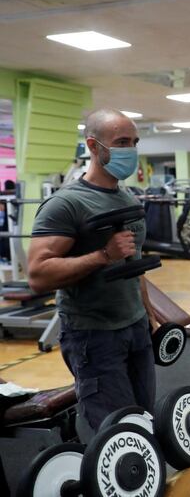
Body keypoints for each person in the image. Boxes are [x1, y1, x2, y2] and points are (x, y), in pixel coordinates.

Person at [27, 108, 159, 433]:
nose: (131, 150)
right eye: (122, 142)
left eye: (135, 142)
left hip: (135, 328)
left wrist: (148, 312)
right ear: (93, 146)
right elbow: (38, 274)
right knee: (118, 433)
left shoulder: (126, 196)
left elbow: (134, 263)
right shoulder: (66, 204)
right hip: (94, 335)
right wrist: (103, 254)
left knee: (145, 418)